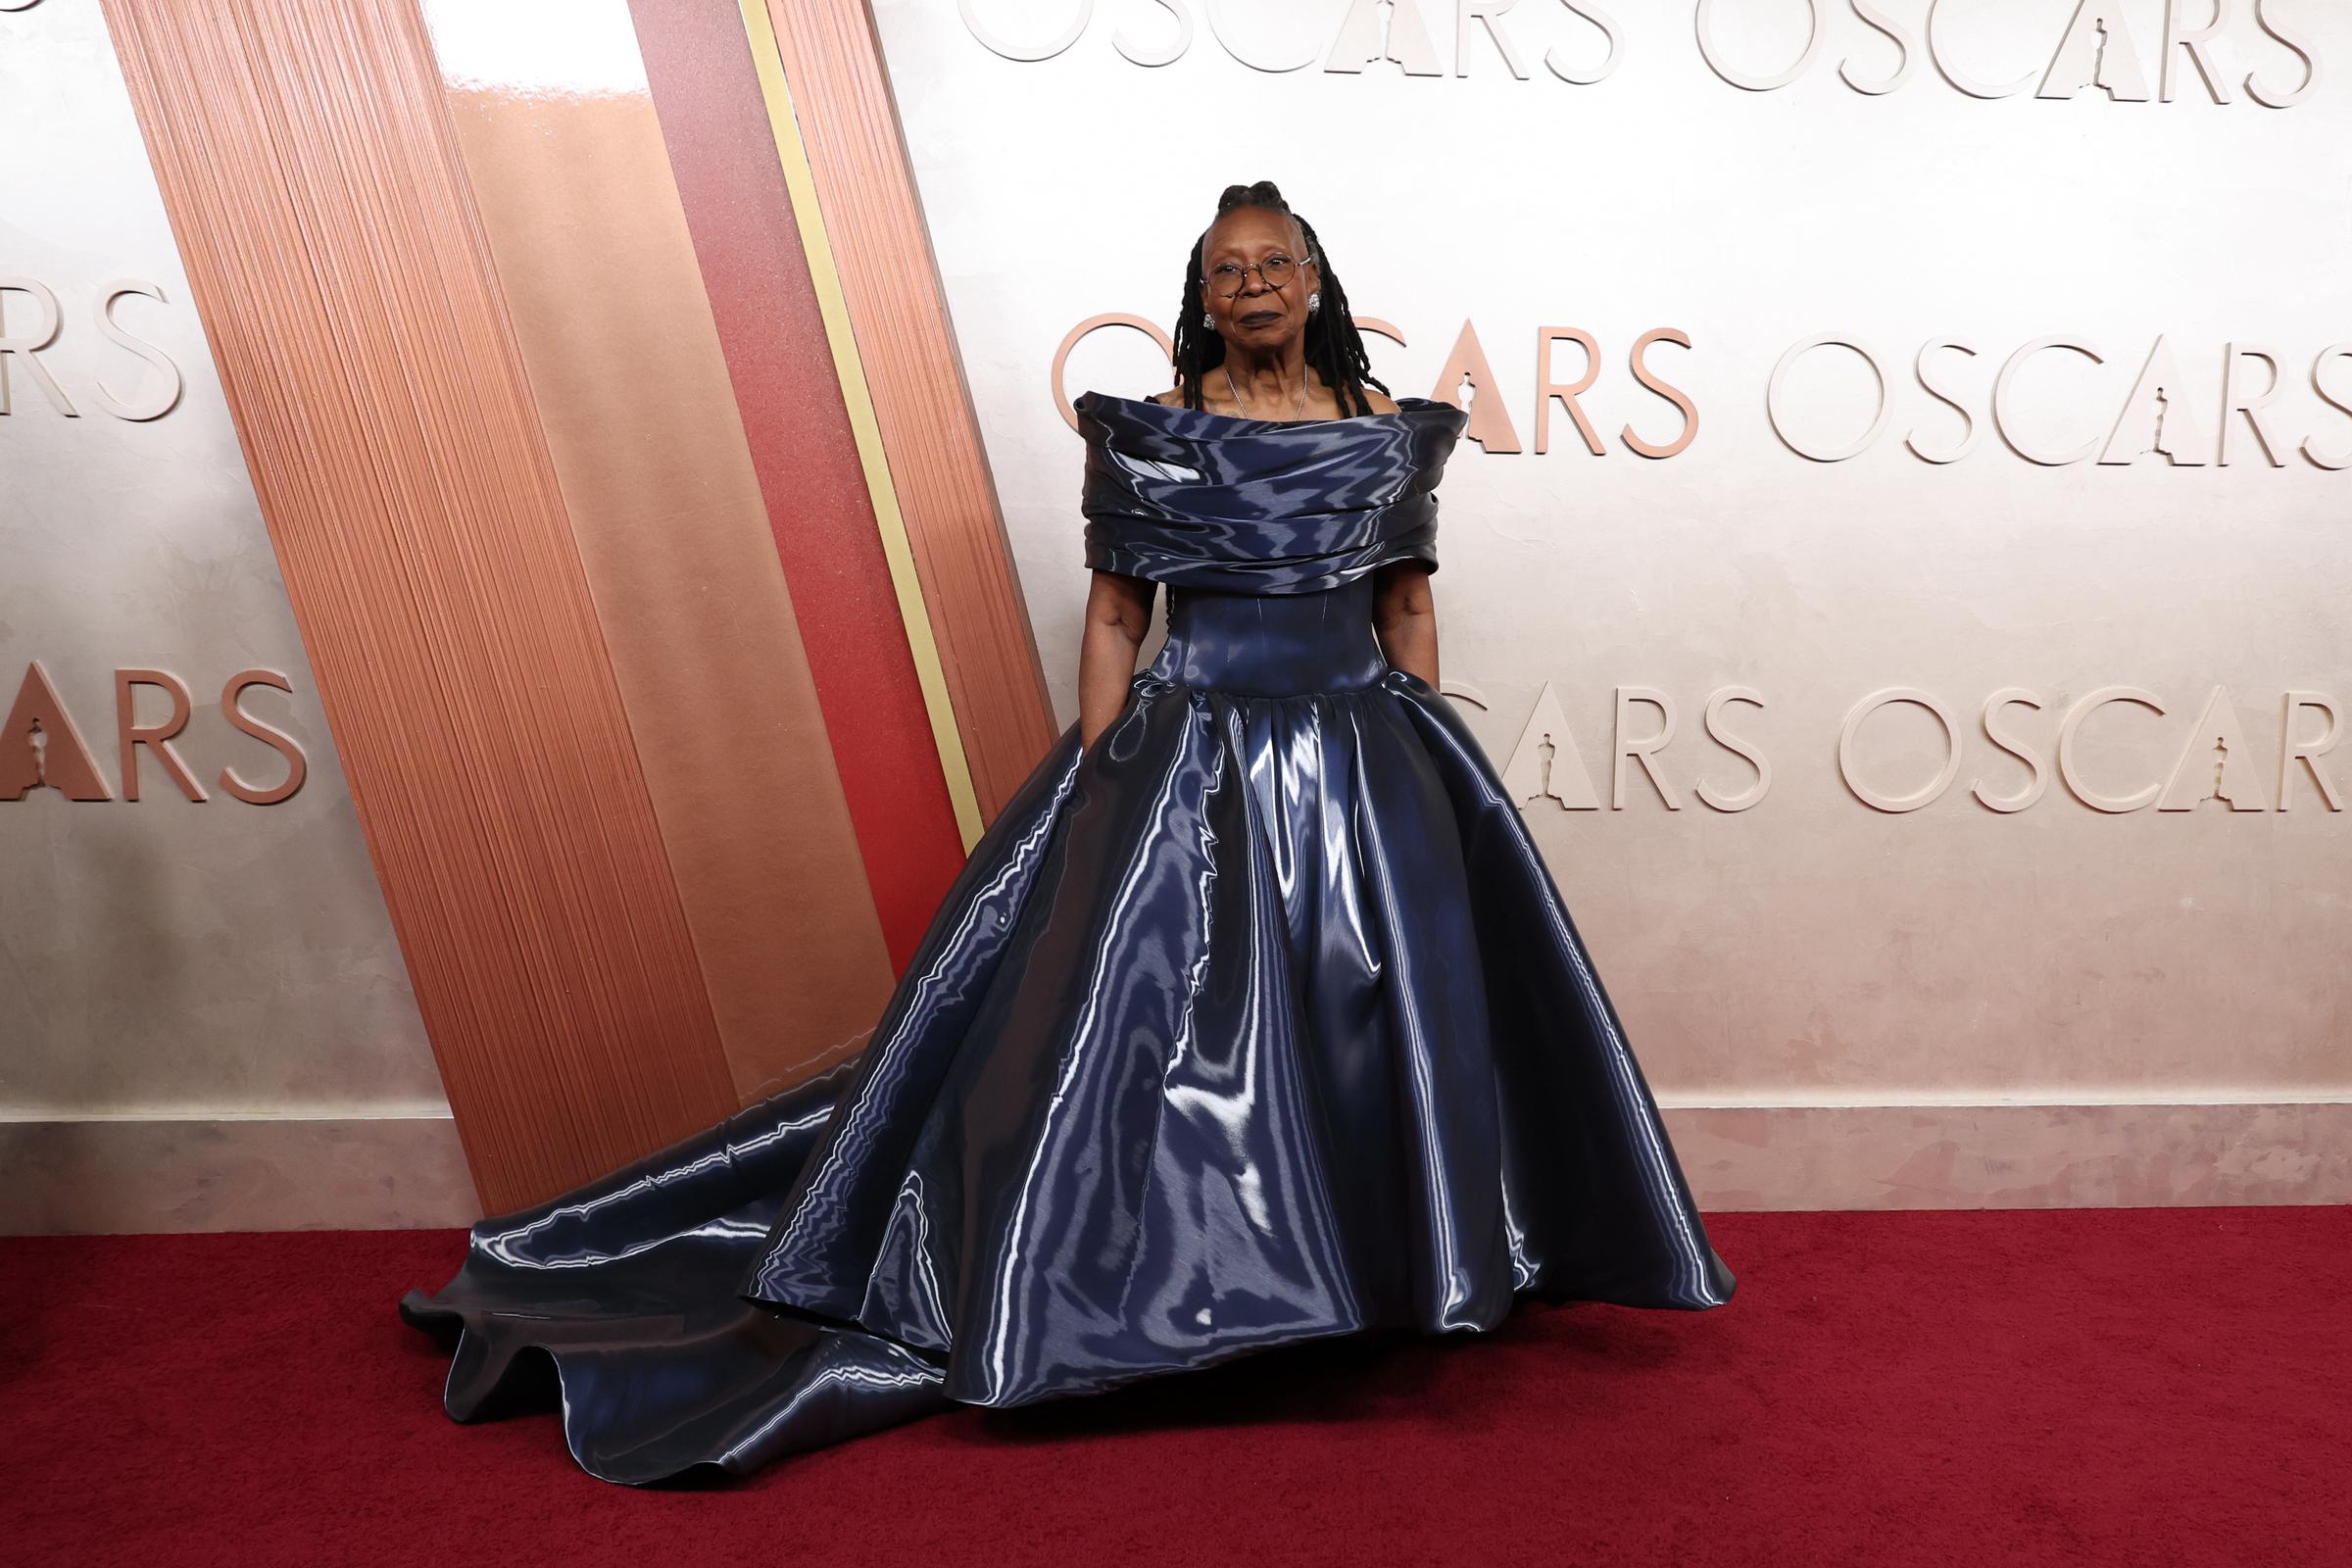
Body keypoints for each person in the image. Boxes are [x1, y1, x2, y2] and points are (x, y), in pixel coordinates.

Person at [401, 179, 1734, 1486]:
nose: (1253, 285)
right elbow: (1115, 617)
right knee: (1146, 1037)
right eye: (1227, 270)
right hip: (1188, 749)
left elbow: (1405, 611)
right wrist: (1104, 769)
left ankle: (1373, 1272)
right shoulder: (1156, 430)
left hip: (1360, 753)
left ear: (1317, 282)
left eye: (1274, 264)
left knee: (1363, 1020)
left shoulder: (1386, 427)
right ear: (1198, 300)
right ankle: (1164, 1293)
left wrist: (1419, 754)